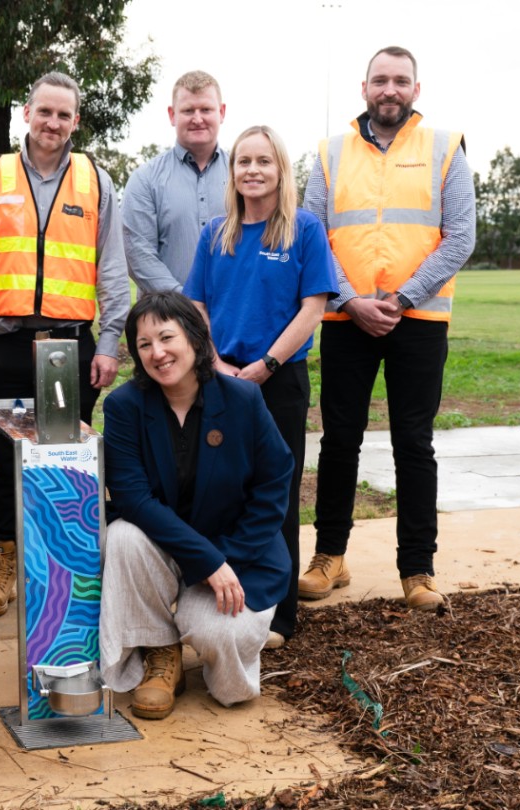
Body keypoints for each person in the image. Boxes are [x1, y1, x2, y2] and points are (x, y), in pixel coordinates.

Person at [299, 46, 476, 611]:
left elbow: (461, 238)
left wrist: (401, 299)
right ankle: (330, 556)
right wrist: (351, 301)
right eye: (381, 80)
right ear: (364, 87)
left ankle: (417, 571)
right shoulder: (329, 153)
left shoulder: (446, 149)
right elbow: (312, 236)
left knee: (414, 444)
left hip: (417, 320)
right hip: (347, 321)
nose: (390, 90)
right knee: (339, 441)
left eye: (401, 81)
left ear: (415, 90)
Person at [0, 71, 129, 618]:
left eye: (63, 114)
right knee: (5, 461)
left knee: (61, 461)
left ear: (75, 121)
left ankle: (61, 568)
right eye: (44, 112)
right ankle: (3, 563)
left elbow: (112, 270)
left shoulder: (98, 182)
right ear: (25, 113)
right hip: (4, 346)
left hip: (68, 348)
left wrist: (108, 345)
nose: (52, 123)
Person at [99, 292, 293, 719]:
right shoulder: (123, 407)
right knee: (124, 536)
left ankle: (220, 649)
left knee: (216, 637)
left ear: (195, 338)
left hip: (238, 551)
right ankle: (160, 654)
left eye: (167, 337)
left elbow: (274, 483)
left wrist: (226, 559)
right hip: (166, 549)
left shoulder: (243, 399)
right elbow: (133, 498)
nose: (157, 352)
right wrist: (205, 561)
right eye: (144, 343)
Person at [183, 125, 337, 647]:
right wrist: (217, 363)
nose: (252, 170)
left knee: (278, 496)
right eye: (243, 161)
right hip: (220, 378)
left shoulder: (305, 230)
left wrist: (268, 363)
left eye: (263, 161)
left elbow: (313, 307)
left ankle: (278, 616)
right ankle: (226, 602)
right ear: (233, 171)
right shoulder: (214, 233)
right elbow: (197, 306)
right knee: (222, 492)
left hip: (279, 380)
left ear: (281, 170)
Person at [122, 70, 228, 293]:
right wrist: (186, 305)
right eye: (188, 110)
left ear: (222, 112)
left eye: (206, 109)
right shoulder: (145, 180)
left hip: (235, 318)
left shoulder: (243, 175)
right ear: (172, 115)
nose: (197, 119)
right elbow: (138, 255)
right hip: (166, 320)